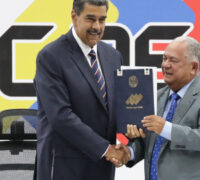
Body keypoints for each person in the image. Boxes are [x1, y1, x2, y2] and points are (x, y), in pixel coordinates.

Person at [33, 0, 129, 179]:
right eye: (90, 19)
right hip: (63, 167)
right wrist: (105, 149)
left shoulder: (113, 57)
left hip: (102, 167)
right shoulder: (51, 56)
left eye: (102, 20)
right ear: (74, 16)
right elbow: (61, 116)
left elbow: (114, 108)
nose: (97, 27)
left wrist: (132, 131)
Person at [124, 36, 200, 180]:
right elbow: (151, 144)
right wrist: (129, 152)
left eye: (173, 60)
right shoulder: (155, 97)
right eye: (164, 58)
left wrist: (166, 128)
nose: (165, 65)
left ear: (193, 67)